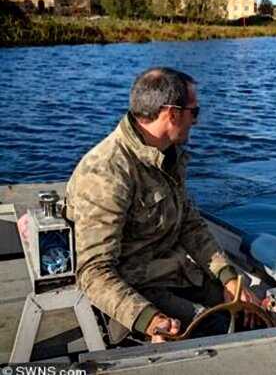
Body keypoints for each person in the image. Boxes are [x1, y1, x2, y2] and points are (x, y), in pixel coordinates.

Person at [65, 67, 260, 344]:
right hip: (134, 291)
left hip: (173, 273)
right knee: (216, 329)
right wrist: (150, 321)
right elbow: (94, 272)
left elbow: (190, 226)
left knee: (250, 312)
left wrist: (229, 278)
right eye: (195, 112)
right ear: (172, 113)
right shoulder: (106, 172)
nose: (196, 121)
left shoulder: (168, 155)